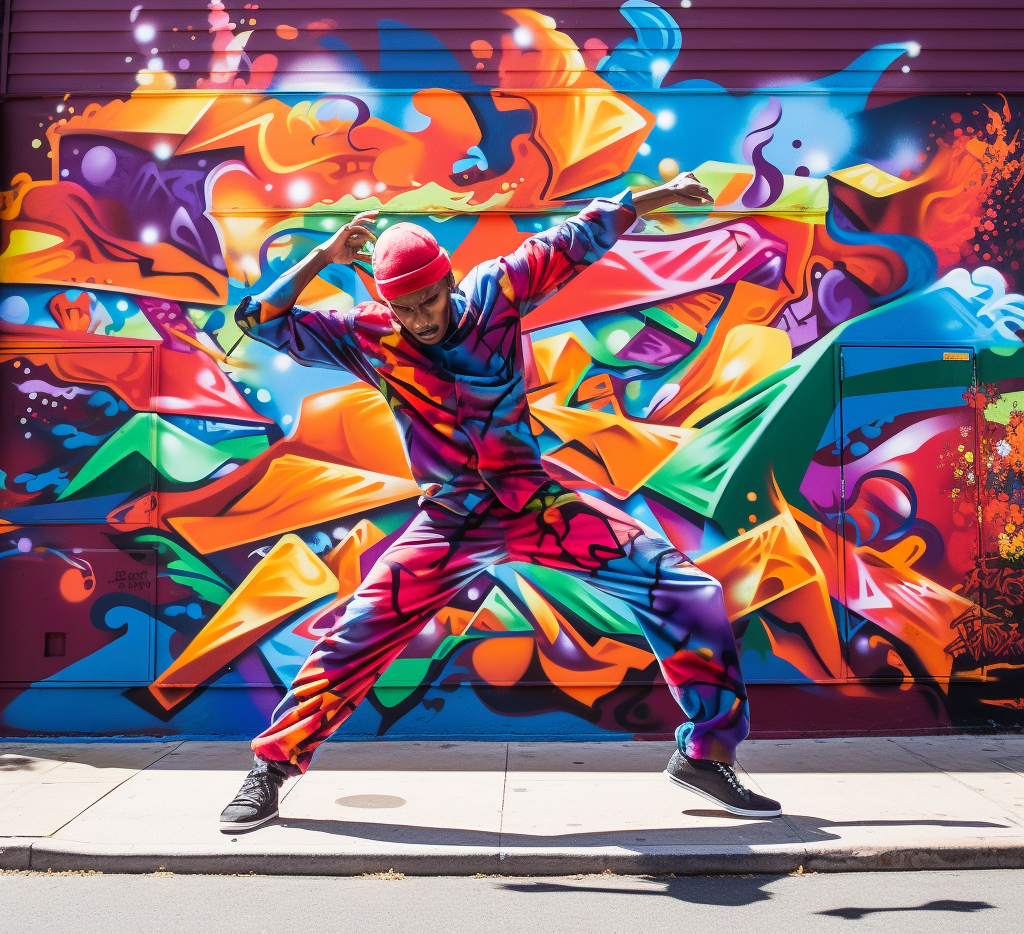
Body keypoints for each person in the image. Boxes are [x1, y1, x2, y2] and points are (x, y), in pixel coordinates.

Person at [219, 170, 782, 831]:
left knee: (689, 591)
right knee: (357, 633)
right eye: (407, 308)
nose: (422, 318)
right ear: (385, 303)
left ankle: (706, 753)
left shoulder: (497, 293)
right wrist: (321, 256)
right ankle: (272, 769)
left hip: (534, 503)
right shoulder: (371, 336)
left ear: (450, 281)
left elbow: (576, 238)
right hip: (452, 518)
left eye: (431, 300)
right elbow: (257, 320)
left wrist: (654, 197)